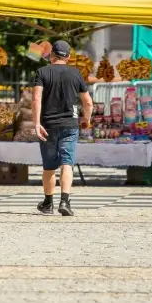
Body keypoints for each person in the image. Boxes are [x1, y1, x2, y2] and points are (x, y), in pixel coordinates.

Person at [32, 41, 93, 216]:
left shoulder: (42, 72)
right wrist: (86, 119)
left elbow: (36, 98)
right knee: (67, 162)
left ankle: (48, 203)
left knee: (49, 166)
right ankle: (65, 201)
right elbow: (88, 102)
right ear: (68, 57)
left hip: (47, 126)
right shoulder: (76, 73)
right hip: (70, 125)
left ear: (51, 55)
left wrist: (36, 123)